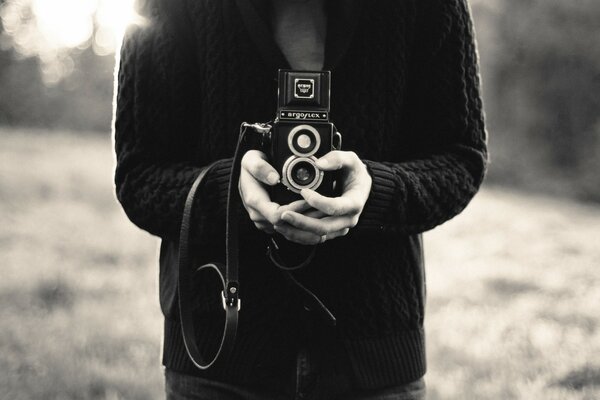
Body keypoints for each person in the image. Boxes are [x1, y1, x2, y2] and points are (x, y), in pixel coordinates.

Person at [113, 0, 488, 398]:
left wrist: (375, 192)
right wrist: (231, 194)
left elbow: (461, 157)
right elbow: (139, 174)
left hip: (374, 355)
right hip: (218, 354)